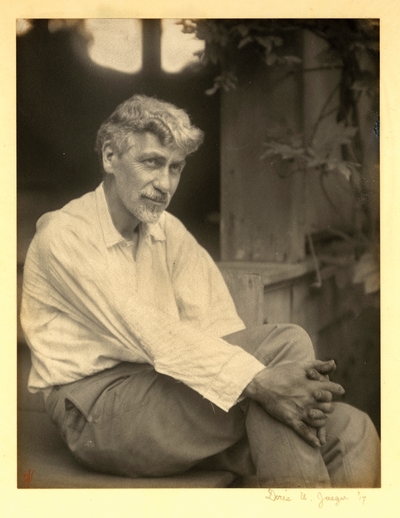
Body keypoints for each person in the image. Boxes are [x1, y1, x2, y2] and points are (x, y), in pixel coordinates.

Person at [21, 94, 380, 488]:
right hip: (94, 409)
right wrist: (259, 382)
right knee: (284, 344)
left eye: (175, 168)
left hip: (166, 391)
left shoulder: (167, 232)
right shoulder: (64, 235)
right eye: (152, 162)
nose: (164, 184)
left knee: (352, 430)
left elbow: (218, 326)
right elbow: (149, 332)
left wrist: (262, 384)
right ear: (109, 157)